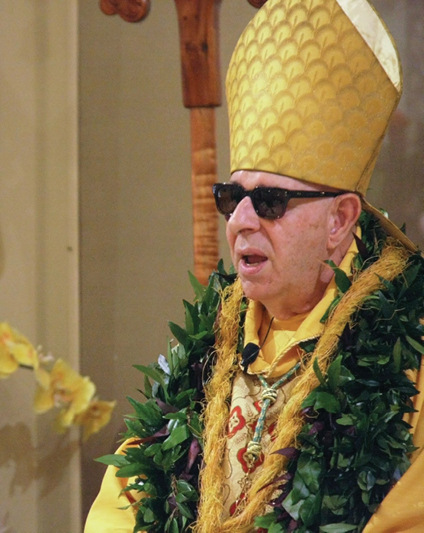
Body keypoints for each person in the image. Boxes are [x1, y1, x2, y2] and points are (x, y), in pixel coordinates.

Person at [85, 0, 424, 531]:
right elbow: (126, 499)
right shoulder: (206, 347)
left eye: (269, 201)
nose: (240, 220)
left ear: (339, 219)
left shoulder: (409, 361)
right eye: (230, 197)